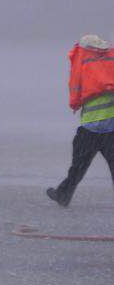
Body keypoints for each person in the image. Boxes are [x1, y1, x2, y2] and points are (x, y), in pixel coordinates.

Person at [47, 34, 114, 207]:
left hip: (90, 128)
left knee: (77, 167)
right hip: (111, 129)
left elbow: (76, 93)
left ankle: (63, 195)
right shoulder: (110, 63)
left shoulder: (84, 67)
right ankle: (62, 194)